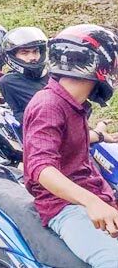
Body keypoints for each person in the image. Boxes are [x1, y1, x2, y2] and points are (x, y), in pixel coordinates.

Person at [23, 24, 118, 268]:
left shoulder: (73, 104)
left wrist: (101, 135)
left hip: (94, 192)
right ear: (99, 66)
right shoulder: (48, 104)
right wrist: (91, 202)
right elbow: (41, 167)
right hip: (65, 206)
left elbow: (69, 137)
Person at [0, 27, 49, 124]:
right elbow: (20, 115)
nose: (32, 58)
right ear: (13, 56)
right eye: (24, 53)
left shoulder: (54, 76)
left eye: (35, 51)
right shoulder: (9, 82)